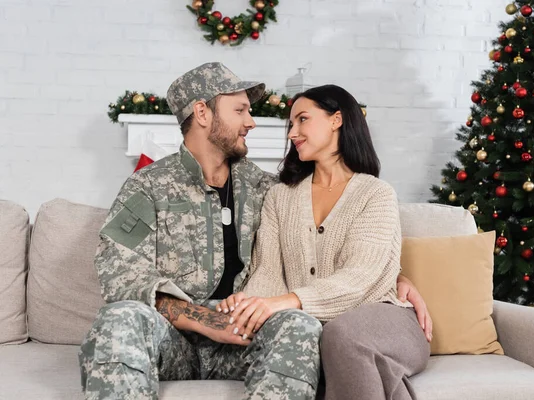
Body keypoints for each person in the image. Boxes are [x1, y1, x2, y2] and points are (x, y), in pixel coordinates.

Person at [78, 62, 323, 400]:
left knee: (301, 325)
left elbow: (319, 240)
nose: (251, 122)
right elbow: (118, 271)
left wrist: (394, 278)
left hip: (243, 337)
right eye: (240, 110)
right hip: (172, 340)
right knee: (119, 318)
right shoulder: (148, 186)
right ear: (202, 112)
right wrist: (203, 321)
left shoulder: (265, 188)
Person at [219, 84, 431, 400]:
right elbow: (268, 272)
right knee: (325, 342)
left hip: (386, 322)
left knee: (341, 334)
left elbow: (359, 279)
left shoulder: (375, 194)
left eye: (303, 119)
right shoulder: (280, 197)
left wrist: (286, 301)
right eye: (291, 124)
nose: (293, 132)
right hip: (321, 331)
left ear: (336, 120)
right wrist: (249, 304)